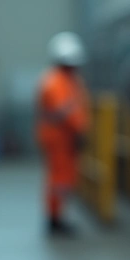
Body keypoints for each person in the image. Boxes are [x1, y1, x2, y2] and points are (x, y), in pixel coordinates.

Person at [36, 31, 91, 236]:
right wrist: (81, 131)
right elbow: (67, 112)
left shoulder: (65, 80)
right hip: (58, 139)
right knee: (59, 180)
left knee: (62, 179)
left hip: (62, 138)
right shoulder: (55, 83)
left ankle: (58, 217)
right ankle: (55, 220)